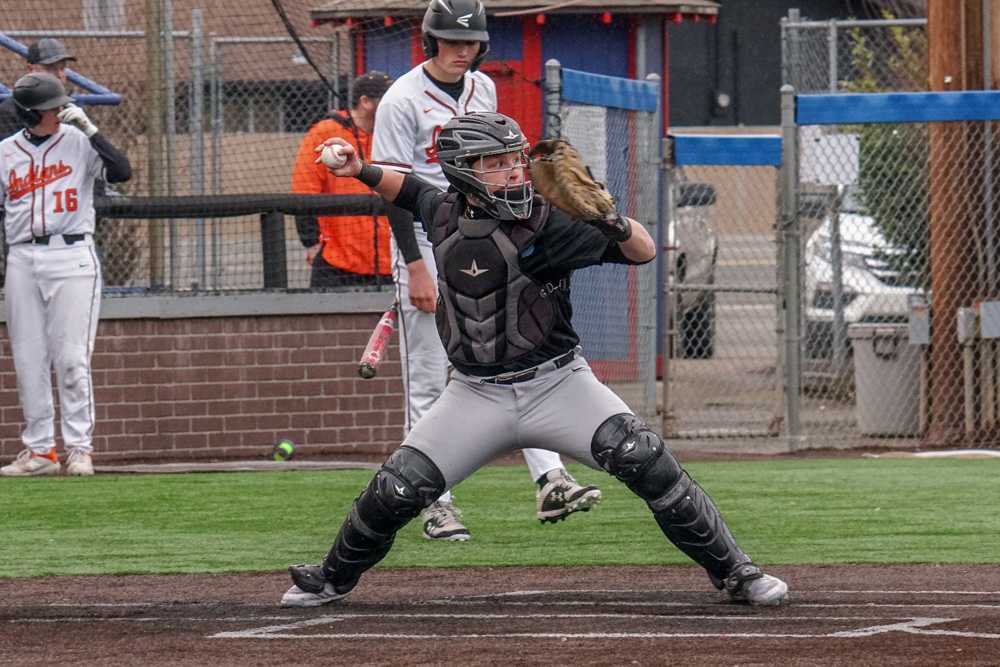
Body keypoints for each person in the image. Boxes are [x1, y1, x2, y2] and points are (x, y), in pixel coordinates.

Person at [280, 112, 790, 608]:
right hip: (474, 394)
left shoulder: (548, 223)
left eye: (514, 159)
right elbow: (406, 188)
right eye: (495, 162)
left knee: (643, 458)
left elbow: (644, 251)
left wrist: (611, 220)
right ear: (464, 171)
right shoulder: (443, 211)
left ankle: (737, 571)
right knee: (396, 489)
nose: (514, 171)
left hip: (559, 384)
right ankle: (330, 579)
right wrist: (357, 169)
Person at [370, 0, 600, 541]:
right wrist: (415, 267)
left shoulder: (483, 89)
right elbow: (393, 190)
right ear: (430, 42)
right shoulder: (401, 99)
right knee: (429, 380)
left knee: (521, 358)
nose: (460, 51)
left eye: (469, 43)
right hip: (430, 242)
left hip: (490, 242)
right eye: (450, 41)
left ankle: (551, 480)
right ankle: (435, 502)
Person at [0, 72, 131, 477]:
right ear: (29, 112)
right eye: (51, 106)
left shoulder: (79, 141)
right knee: (28, 359)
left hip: (72, 254)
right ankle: (40, 451)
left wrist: (91, 130)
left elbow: (122, 171)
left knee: (72, 358)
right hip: (22, 258)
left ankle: (79, 448)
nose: (60, 110)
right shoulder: (5, 151)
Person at [291, 71, 394, 288]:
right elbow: (304, 187)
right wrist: (310, 241)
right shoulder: (326, 132)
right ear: (365, 101)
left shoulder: (395, 132)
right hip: (338, 259)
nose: (395, 103)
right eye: (387, 97)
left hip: (391, 259)